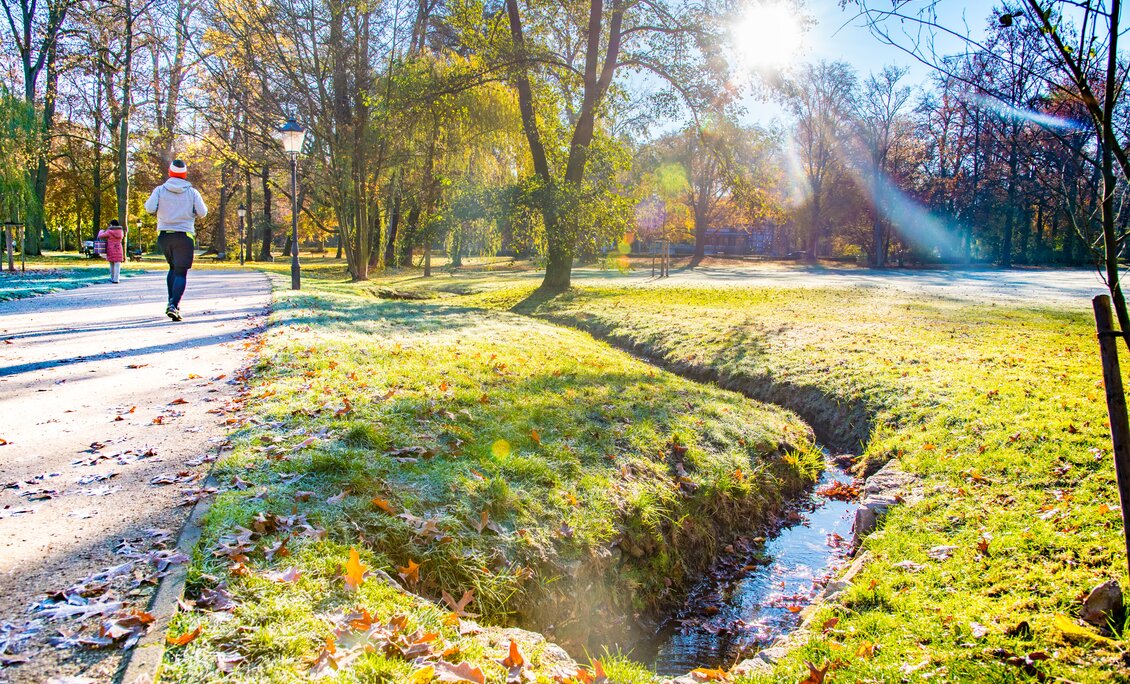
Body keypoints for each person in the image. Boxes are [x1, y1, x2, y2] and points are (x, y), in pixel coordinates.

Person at [144, 159, 207, 321]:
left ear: (169, 173)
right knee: (181, 272)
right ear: (185, 174)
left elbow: (150, 208)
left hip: (164, 235)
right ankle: (174, 304)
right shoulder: (192, 192)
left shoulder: (160, 190)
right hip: (184, 235)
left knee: (172, 268)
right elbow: (203, 212)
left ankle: (171, 303)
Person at [97, 219, 126, 283]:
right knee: (117, 264)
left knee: (111, 264)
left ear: (111, 224)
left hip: (111, 248)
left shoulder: (109, 231)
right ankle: (116, 279)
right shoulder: (121, 231)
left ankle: (112, 278)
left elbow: (100, 236)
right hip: (118, 248)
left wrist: (101, 231)